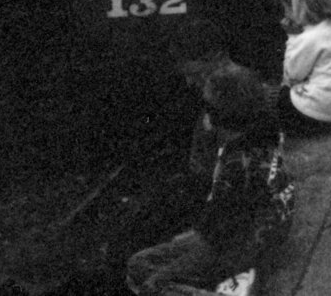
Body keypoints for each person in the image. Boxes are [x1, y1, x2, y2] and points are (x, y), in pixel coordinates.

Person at [125, 60, 294, 294]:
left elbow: (217, 240)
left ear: (217, 114)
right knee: (140, 263)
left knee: (152, 285)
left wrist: (175, 266)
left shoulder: (236, 167)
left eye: (207, 105)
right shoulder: (262, 134)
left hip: (244, 245)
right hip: (260, 227)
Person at [275, 0, 331, 136]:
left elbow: (293, 74)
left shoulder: (309, 38)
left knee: (271, 99)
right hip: (329, 110)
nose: (285, 14)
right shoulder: (328, 26)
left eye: (287, 7)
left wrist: (292, 36)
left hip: (311, 114)